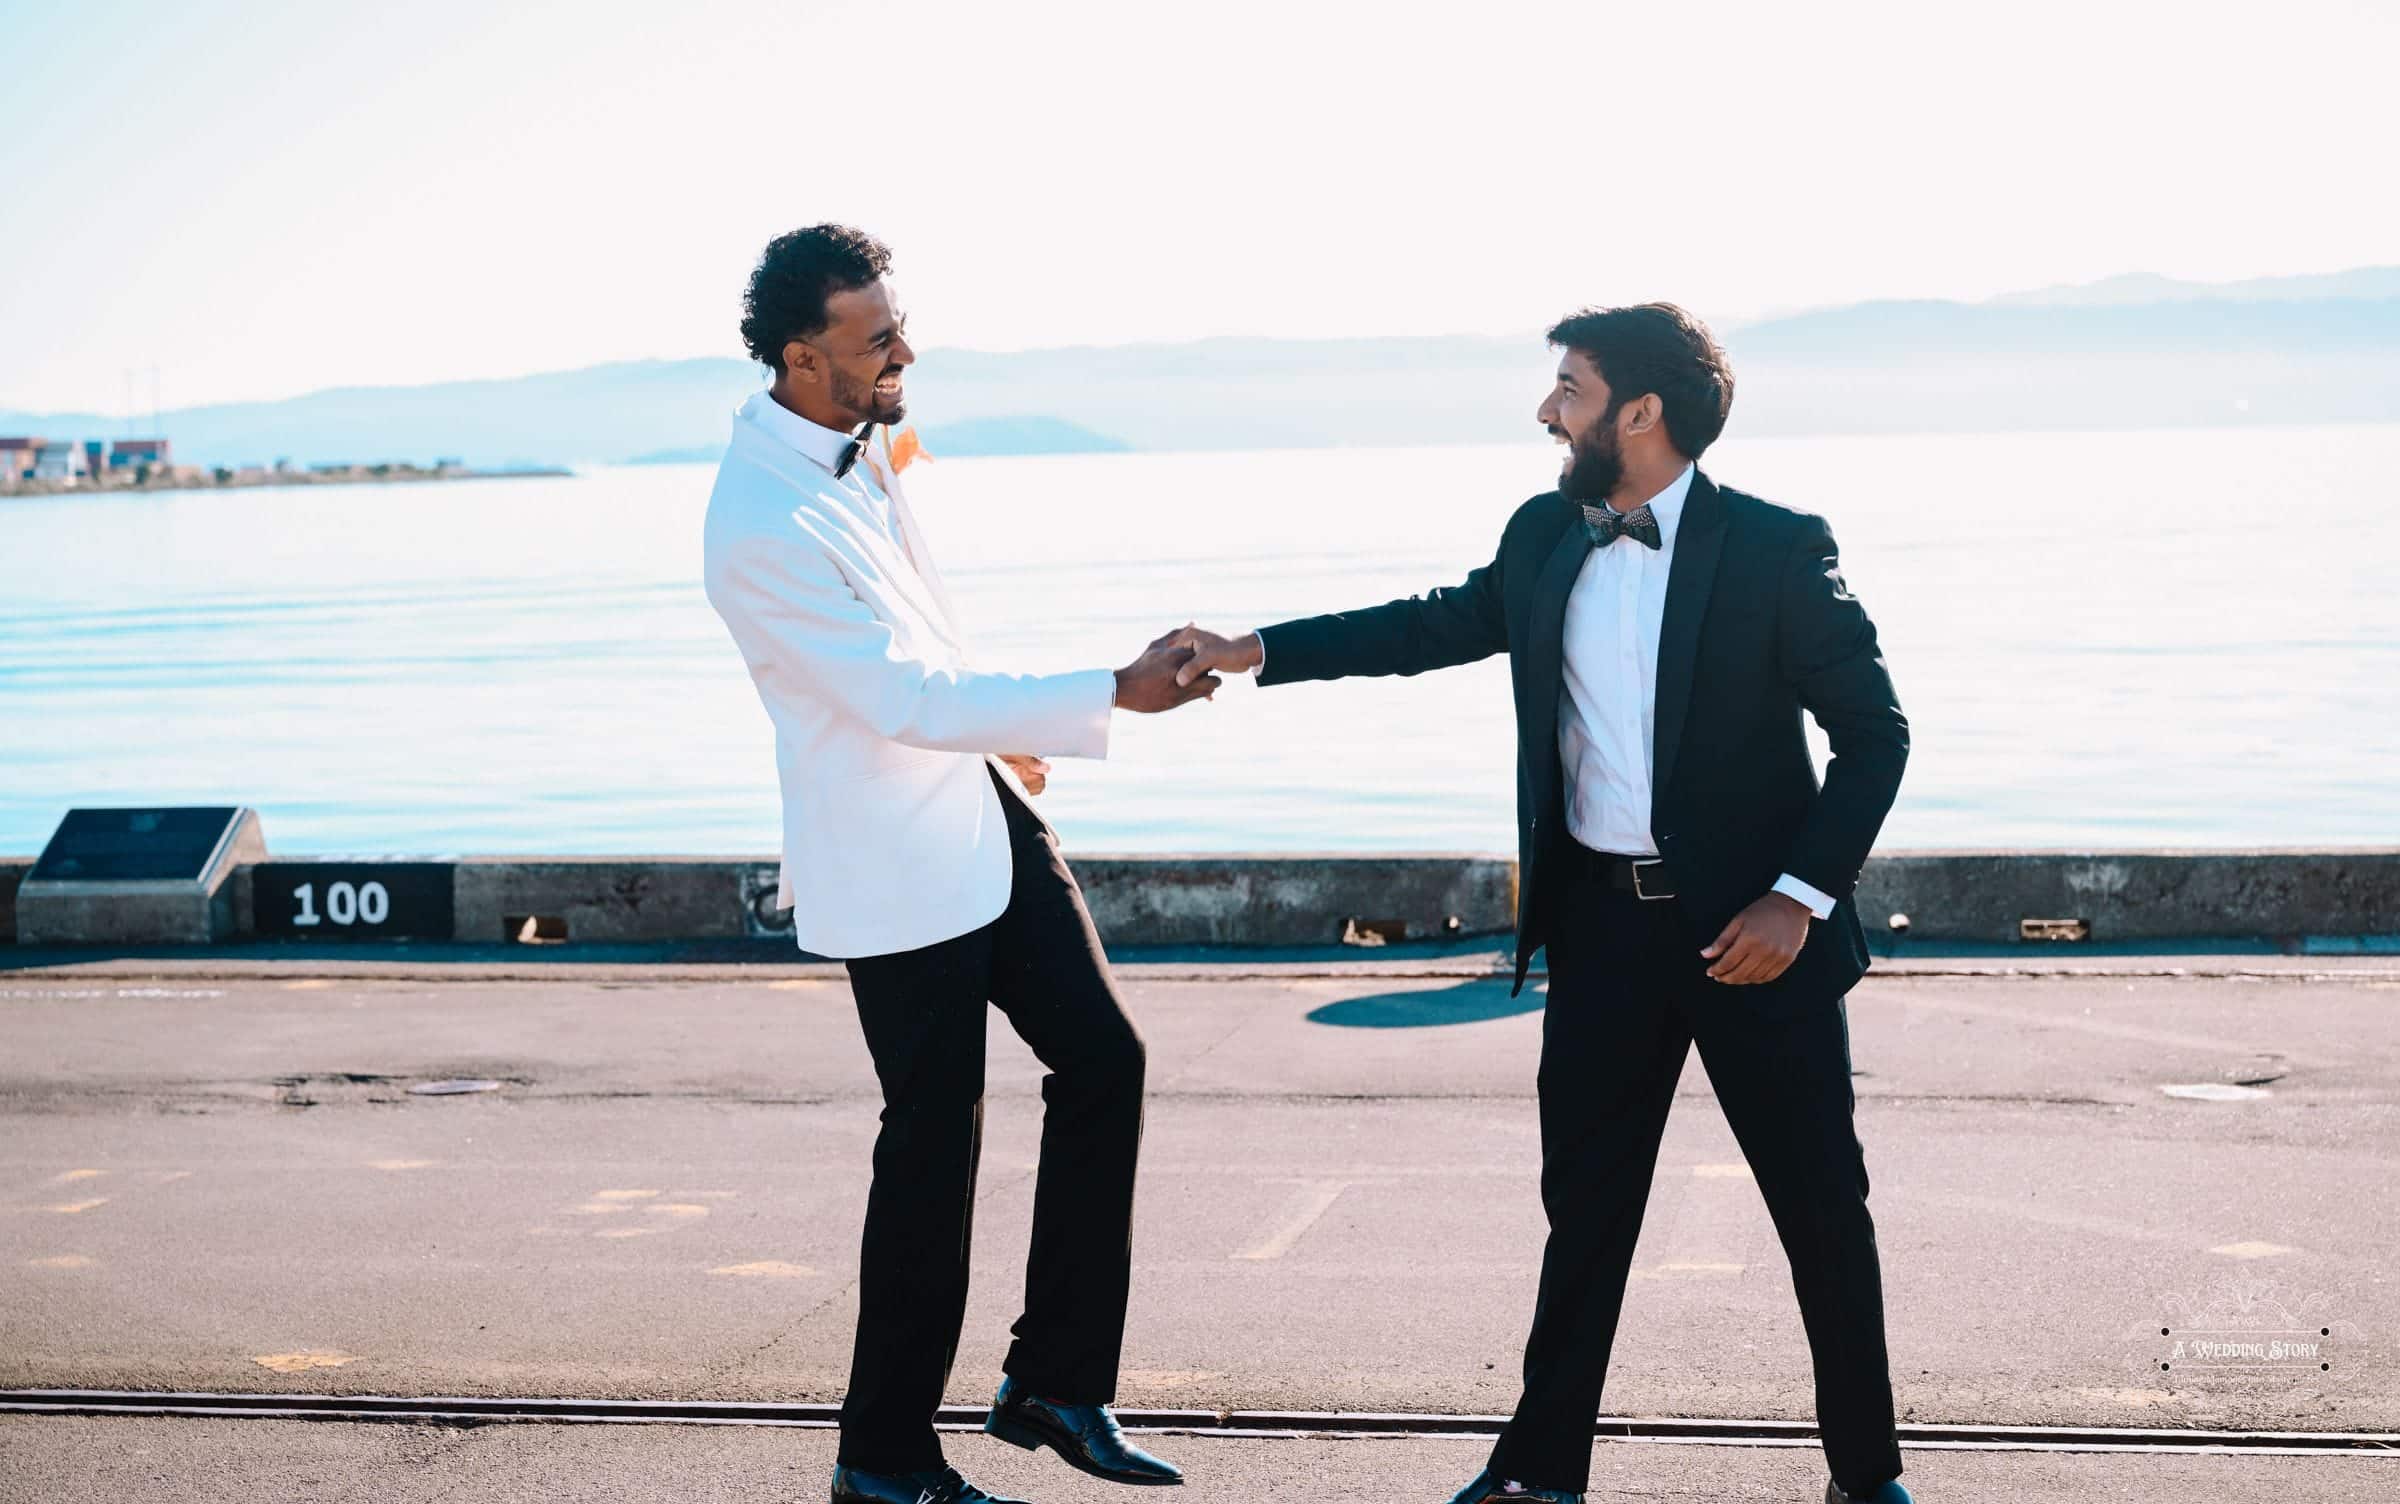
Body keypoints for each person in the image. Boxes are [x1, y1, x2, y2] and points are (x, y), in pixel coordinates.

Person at [1163, 304, 1914, 1504]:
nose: (1546, 410)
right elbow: (1428, 623)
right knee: (1588, 1217)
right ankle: (1541, 1472)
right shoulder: (1544, 535)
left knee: (1824, 1210)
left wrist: (1798, 900)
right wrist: (1257, 648)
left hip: (1753, 941)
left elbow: (1875, 737)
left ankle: (1867, 1479)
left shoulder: (1777, 549)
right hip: (1606, 935)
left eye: (1567, 386)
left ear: (1640, 411)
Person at [703, 224, 1209, 1504]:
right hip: (891, 865)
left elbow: (925, 642)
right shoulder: (757, 517)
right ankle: (880, 1458)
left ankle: (1054, 1382)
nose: (905, 351)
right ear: (804, 355)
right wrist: (1104, 695)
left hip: (982, 812)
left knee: (1108, 1059)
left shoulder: (861, 453)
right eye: (879, 338)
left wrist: (1011, 739)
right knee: (931, 1148)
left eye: (897, 325)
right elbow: (893, 690)